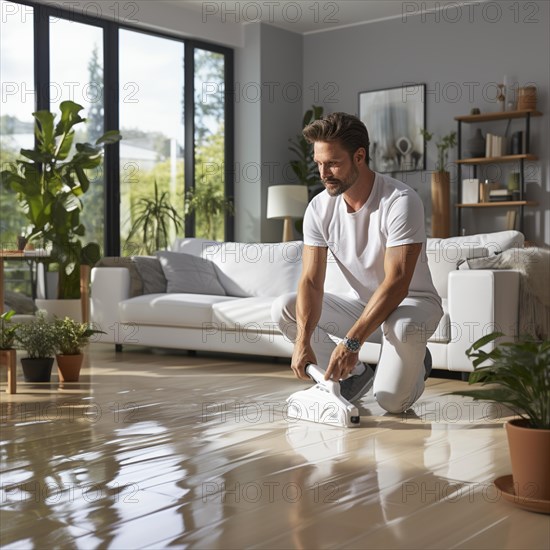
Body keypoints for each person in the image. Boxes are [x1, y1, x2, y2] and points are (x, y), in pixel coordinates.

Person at [272, 112, 443, 414]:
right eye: (319, 163)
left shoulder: (400, 201)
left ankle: (417, 361)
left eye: (333, 163)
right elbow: (311, 281)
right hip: (363, 307)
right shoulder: (319, 207)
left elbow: (398, 282)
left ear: (360, 156)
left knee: (391, 401)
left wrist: (350, 343)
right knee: (285, 307)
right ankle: (357, 376)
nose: (324, 173)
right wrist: (302, 341)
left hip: (411, 306)